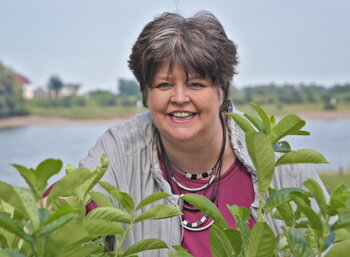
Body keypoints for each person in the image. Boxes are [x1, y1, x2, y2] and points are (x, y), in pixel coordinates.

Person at [79, 11, 329, 257]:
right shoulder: (121, 149)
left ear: (222, 91)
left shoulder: (279, 162)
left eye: (196, 84)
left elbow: (325, 242)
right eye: (164, 84)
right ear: (146, 94)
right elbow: (68, 206)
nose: (179, 98)